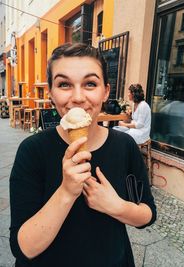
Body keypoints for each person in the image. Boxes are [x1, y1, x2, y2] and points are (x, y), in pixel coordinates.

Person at [9, 43, 156, 267]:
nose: (77, 97)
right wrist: (67, 191)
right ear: (51, 93)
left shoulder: (124, 146)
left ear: (105, 91)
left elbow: (147, 214)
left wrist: (115, 206)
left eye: (90, 83)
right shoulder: (32, 151)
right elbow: (23, 248)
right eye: (64, 84)